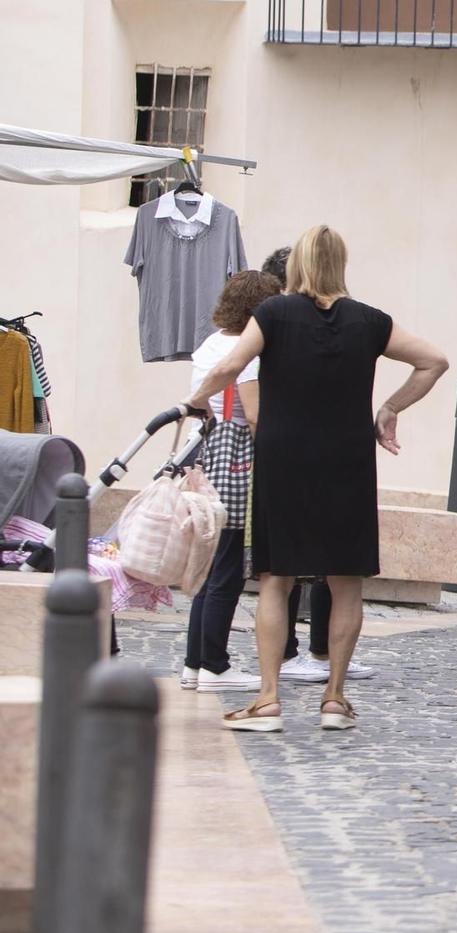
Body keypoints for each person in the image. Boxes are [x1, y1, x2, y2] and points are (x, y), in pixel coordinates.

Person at [186, 225, 449, 732]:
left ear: (297, 265)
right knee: (345, 579)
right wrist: (390, 408)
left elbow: (232, 364)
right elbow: (434, 361)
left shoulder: (273, 314)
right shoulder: (371, 321)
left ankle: (267, 699)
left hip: (283, 456)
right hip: (347, 457)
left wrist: (195, 400)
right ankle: (333, 698)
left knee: (275, 578)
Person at [179, 269, 283, 693]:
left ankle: (193, 663)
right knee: (226, 569)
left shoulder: (210, 344)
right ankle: (215, 665)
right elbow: (254, 415)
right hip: (235, 465)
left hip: (204, 461)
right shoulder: (247, 353)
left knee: (209, 569)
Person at [261, 245, 344, 683]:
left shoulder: (277, 322)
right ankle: (313, 668)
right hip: (314, 456)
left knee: (290, 570)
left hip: (288, 454)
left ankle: (292, 671)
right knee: (304, 570)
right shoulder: (276, 319)